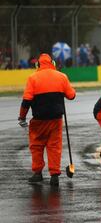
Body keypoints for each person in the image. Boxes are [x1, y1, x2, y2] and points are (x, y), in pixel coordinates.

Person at [18, 53, 76, 186]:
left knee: (37, 146)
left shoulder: (32, 78)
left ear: (37, 64)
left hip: (38, 120)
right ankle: (54, 175)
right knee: (54, 147)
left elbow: (26, 101)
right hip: (56, 119)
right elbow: (71, 96)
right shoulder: (62, 77)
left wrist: (22, 116)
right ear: (53, 63)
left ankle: (37, 173)